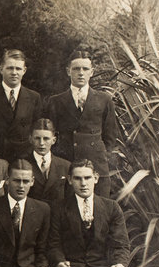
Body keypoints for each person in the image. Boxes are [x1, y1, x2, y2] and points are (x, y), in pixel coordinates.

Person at [44, 49, 121, 196]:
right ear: (68, 71)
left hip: (96, 167)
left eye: (85, 69)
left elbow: (110, 135)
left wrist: (103, 156)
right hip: (67, 165)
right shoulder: (56, 101)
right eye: (76, 69)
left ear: (91, 72)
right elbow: (50, 135)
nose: (81, 73)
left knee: (98, 210)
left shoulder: (104, 99)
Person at [0, 49, 43, 160]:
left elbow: (37, 130)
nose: (14, 73)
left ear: (24, 70)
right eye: (10, 68)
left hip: (24, 158)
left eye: (18, 68)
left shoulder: (34, 97)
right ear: (1, 69)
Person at [26, 118, 70, 203]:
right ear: (30, 139)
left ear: (53, 140)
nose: (41, 143)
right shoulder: (24, 164)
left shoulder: (66, 166)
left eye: (46, 139)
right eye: (37, 138)